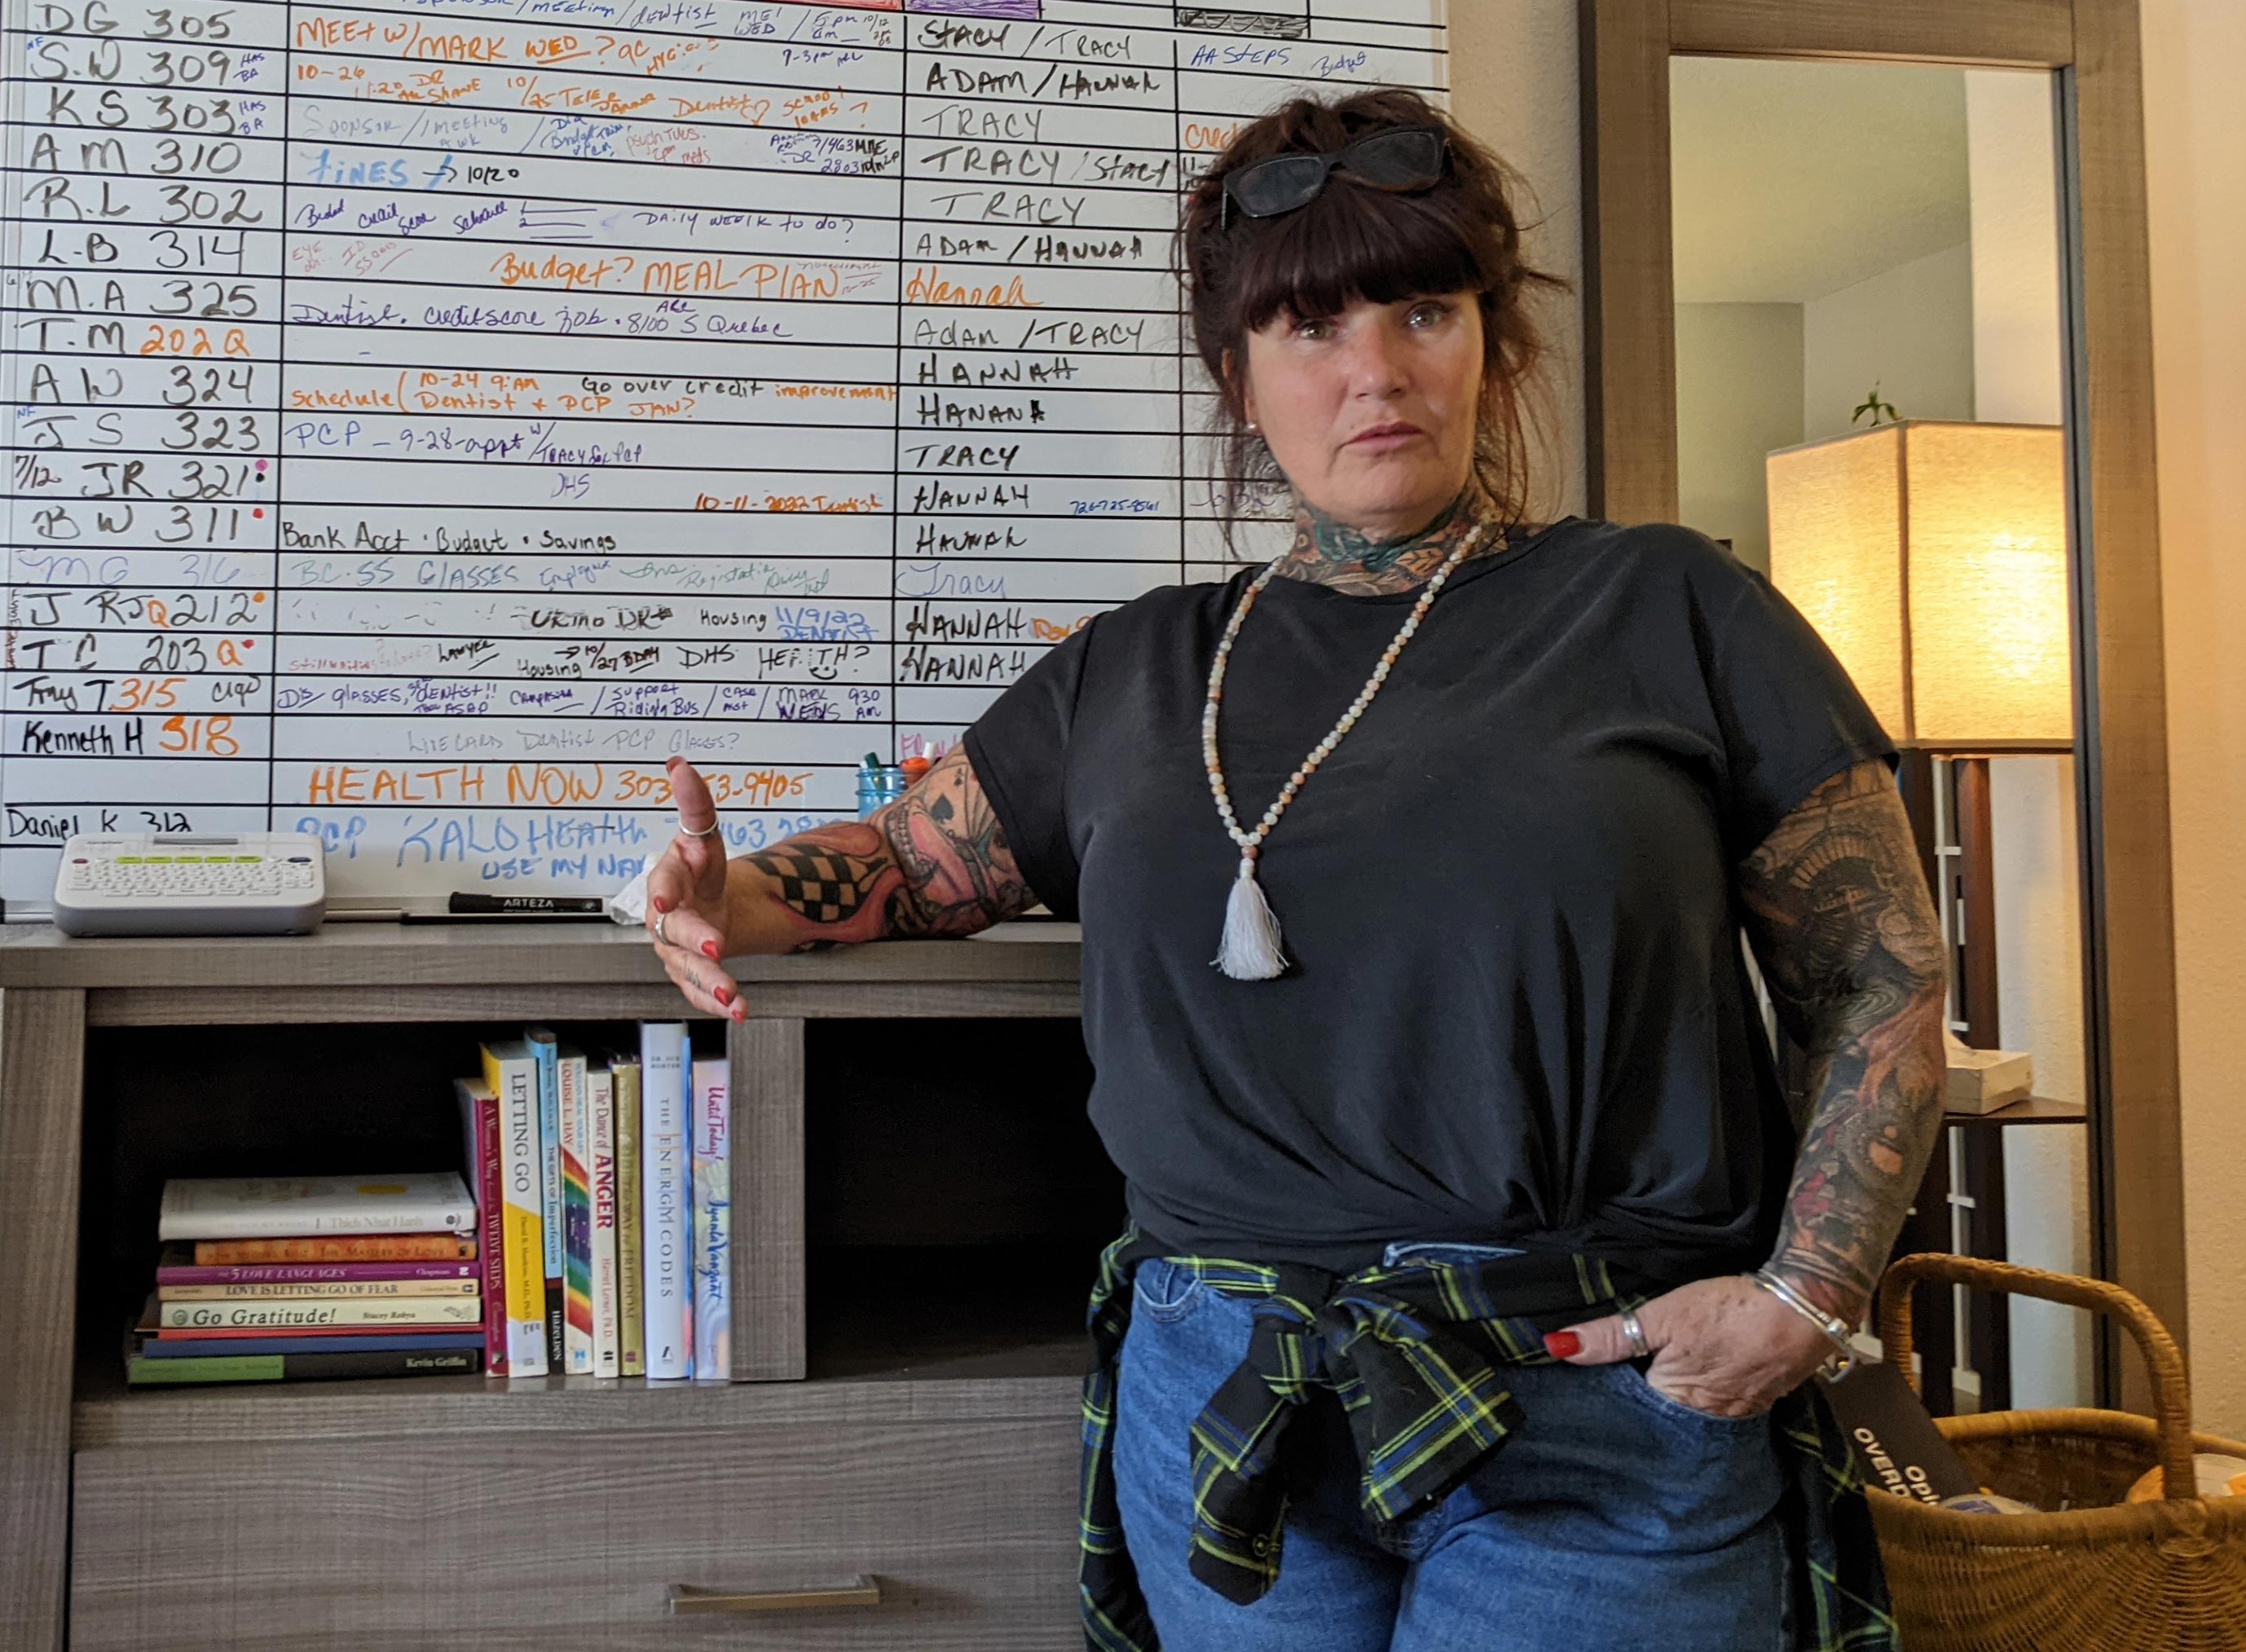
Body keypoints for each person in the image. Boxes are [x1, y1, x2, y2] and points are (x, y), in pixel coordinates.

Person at [641, 88, 1940, 1652]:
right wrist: (732, 898)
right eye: (1311, 327)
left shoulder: (1667, 604)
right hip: (1230, 1398)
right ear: (1239, 378)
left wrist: (1806, 1299)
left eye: (1424, 309)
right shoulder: (1135, 671)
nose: (1375, 371)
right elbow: (914, 862)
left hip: (1602, 1387)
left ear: (1493, 343)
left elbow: (1875, 971)